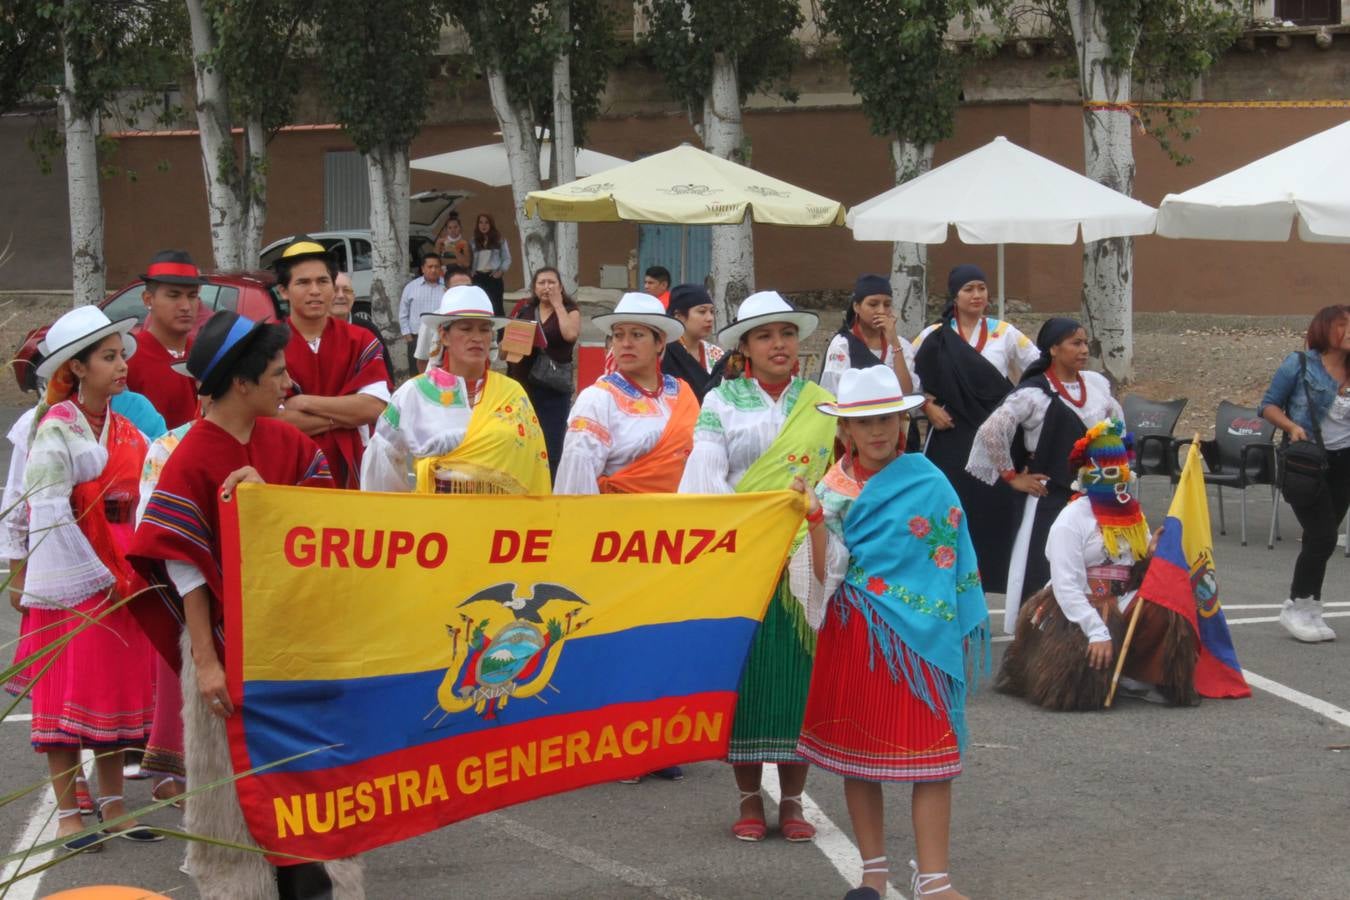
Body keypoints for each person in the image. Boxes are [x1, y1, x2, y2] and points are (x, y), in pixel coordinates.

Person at [129, 311, 363, 899]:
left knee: (307, 792)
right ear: (241, 382)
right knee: (237, 800)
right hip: (227, 648)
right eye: (279, 373)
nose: (289, 385)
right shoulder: (190, 457)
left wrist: (271, 503)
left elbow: (325, 531)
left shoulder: (286, 441)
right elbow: (185, 567)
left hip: (294, 643)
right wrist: (205, 660)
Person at [790, 366, 985, 900]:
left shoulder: (927, 478)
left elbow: (950, 554)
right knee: (860, 755)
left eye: (887, 418)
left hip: (924, 637)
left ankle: (935, 879)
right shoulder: (831, 491)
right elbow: (821, 574)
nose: (877, 431)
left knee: (933, 758)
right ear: (844, 432)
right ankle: (872, 871)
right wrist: (811, 522)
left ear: (902, 421)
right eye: (863, 422)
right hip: (857, 633)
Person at [678, 290, 835, 844]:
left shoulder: (822, 403)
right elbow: (705, 481)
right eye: (765, 336)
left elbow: (837, 479)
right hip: (743, 556)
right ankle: (748, 796)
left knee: (799, 675)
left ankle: (793, 801)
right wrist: (730, 547)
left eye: (787, 334)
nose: (779, 344)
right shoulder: (721, 401)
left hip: (804, 552)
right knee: (744, 675)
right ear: (743, 347)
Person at [6, 306, 159, 852]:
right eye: (109, 357)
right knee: (65, 690)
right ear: (77, 367)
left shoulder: (129, 428)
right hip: (67, 569)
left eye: (121, 356)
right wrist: (23, 574)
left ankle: (114, 806)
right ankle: (70, 812)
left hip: (122, 571)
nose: (121, 366)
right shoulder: (47, 427)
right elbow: (29, 507)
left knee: (113, 693)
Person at [997, 418, 1198, 709]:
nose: (1115, 477)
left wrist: (1151, 552)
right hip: (1080, 602)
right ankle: (1096, 664)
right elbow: (1067, 586)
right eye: (1107, 468)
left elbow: (1136, 565)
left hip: (1122, 596)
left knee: (1167, 606)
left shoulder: (1133, 514)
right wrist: (1096, 630)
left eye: (1120, 468)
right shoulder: (1071, 519)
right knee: (1078, 687)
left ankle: (1136, 672)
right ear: (1089, 472)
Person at [967, 318, 1123, 620]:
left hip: (1097, 493)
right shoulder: (1034, 393)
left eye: (1085, 343)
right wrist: (1013, 477)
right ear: (1053, 348)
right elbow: (991, 431)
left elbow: (1117, 426)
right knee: (1046, 566)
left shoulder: (1095, 385)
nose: (1083, 349)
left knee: (1098, 564)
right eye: (1075, 343)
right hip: (1052, 496)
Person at [913, 265, 1042, 594]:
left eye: (981, 288)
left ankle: (995, 579)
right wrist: (927, 406)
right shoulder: (934, 335)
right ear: (954, 295)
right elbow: (904, 379)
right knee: (951, 506)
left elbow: (1039, 368)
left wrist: (1019, 406)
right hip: (950, 433)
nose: (976, 295)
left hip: (996, 436)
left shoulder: (1005, 332)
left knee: (994, 508)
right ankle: (947, 579)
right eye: (969, 288)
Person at [361, 285, 550, 495]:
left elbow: (533, 465)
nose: (477, 337)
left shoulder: (513, 394)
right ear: (444, 335)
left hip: (501, 520)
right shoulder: (414, 394)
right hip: (438, 521)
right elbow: (383, 457)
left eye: (485, 329)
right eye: (466, 328)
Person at [1259, 304, 1350, 643]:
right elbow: (1268, 405)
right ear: (1325, 329)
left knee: (1319, 539)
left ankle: (1310, 605)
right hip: (1306, 462)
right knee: (1324, 535)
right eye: (1344, 325)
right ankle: (1295, 605)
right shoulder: (1299, 364)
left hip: (1344, 464)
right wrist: (1292, 426)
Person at [274, 237, 390, 489]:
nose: (315, 290)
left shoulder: (360, 340)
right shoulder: (267, 343)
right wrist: (346, 416)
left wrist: (303, 402)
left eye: (322, 281)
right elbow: (274, 421)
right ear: (283, 290)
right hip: (288, 470)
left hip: (353, 472)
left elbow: (375, 408)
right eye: (303, 282)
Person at [506, 267, 581, 482]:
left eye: (551, 282)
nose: (546, 287)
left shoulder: (570, 310)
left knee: (551, 442)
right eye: (541, 283)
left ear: (560, 286)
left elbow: (570, 334)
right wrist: (511, 343)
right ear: (534, 287)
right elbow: (505, 350)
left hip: (553, 386)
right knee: (521, 439)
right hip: (523, 383)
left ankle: (550, 486)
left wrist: (558, 304)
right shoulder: (524, 309)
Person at [126, 249, 205, 429]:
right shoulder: (130, 359)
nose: (186, 306)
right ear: (148, 299)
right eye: (174, 295)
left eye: (192, 296)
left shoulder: (204, 355)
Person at [818, 274, 917, 396]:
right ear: (856, 307)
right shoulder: (843, 344)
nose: (881, 311)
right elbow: (832, 393)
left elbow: (906, 392)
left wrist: (894, 342)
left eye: (887, 305)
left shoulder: (901, 345)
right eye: (873, 304)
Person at [661, 283, 725, 402]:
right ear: (679, 316)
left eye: (712, 312)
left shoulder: (716, 353)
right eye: (702, 312)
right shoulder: (663, 352)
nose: (710, 318)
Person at [414, 265, 474, 367]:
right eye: (456, 289)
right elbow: (422, 360)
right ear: (446, 291)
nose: (463, 293)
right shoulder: (432, 320)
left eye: (467, 288)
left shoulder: (482, 319)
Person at [399, 251, 445, 373]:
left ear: (440, 268)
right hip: (416, 337)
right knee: (417, 376)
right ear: (423, 269)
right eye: (430, 267)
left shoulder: (447, 288)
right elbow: (403, 313)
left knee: (440, 375)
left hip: (441, 337)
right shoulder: (411, 287)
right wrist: (408, 336)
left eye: (436, 267)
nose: (433, 270)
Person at [470, 213, 512, 317]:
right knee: (480, 308)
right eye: (481, 222)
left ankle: (500, 333)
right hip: (478, 278)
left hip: (493, 277)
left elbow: (507, 258)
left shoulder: (500, 240)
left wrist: (501, 271)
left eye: (486, 222)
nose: (483, 225)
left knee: (497, 308)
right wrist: (470, 272)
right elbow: (469, 259)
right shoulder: (473, 241)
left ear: (491, 224)